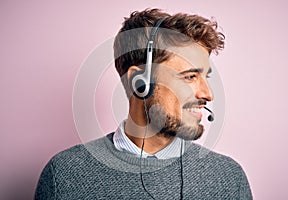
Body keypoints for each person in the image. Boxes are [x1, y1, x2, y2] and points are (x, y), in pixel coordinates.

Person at [35, 8, 252, 199]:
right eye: (189, 77)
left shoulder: (229, 178)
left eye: (206, 76)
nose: (208, 93)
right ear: (140, 82)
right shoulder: (64, 175)